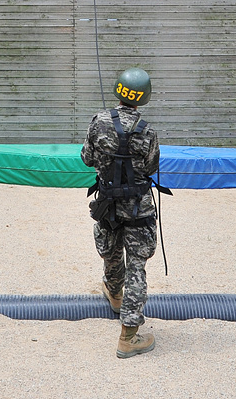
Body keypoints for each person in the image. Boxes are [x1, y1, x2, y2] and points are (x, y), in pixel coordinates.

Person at [82, 67, 161, 358]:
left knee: (111, 251)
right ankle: (129, 335)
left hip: (108, 203)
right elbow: (152, 167)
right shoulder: (148, 131)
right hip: (138, 206)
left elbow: (87, 158)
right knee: (137, 265)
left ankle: (115, 294)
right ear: (144, 97)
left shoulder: (98, 122)